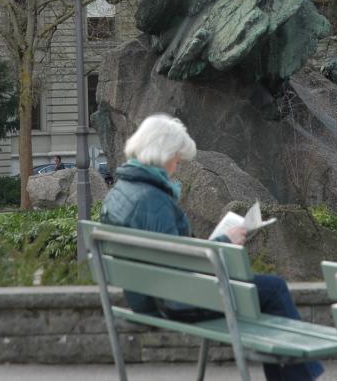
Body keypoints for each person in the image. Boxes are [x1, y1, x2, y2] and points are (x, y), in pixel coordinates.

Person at [100, 113, 323, 381]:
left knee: (262, 295)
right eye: (176, 157)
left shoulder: (120, 192)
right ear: (161, 153)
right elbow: (179, 264)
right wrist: (224, 242)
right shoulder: (152, 199)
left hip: (146, 297)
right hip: (172, 302)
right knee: (273, 290)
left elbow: (168, 254)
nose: (177, 164)